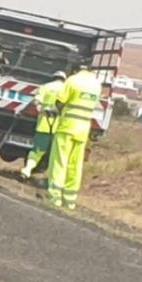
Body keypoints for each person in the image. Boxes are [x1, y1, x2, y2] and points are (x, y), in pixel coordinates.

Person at [46, 67, 102, 209]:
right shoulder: (96, 84)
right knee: (75, 165)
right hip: (83, 130)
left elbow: (60, 101)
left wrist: (54, 111)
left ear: (77, 70)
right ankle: (70, 199)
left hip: (67, 127)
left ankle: (55, 196)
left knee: (59, 161)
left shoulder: (73, 80)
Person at [20, 71, 67, 180]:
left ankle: (26, 170)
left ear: (54, 77)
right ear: (64, 79)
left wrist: (25, 110)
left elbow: (36, 102)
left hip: (44, 124)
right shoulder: (66, 89)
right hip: (60, 127)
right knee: (56, 154)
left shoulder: (45, 87)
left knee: (37, 150)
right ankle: (53, 178)